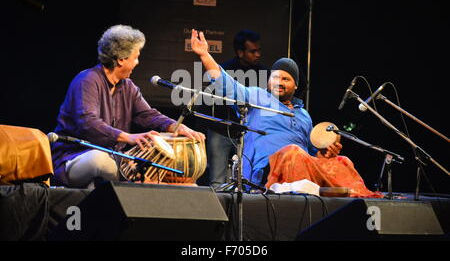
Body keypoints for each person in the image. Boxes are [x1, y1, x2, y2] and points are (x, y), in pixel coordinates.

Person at [191, 29, 381, 197]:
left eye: (286, 79)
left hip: (300, 166)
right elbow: (227, 85)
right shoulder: (258, 98)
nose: (279, 82)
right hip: (266, 169)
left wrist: (326, 153)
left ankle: (357, 201)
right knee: (293, 152)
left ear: (296, 85)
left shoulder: (304, 115)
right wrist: (205, 55)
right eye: (275, 77)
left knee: (343, 161)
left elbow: (312, 154)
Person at [51, 25, 205, 188]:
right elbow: (88, 123)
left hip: (115, 157)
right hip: (74, 157)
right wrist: (128, 137)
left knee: (179, 182)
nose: (138, 62)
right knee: (101, 160)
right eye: (136, 57)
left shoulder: (127, 86)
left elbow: (148, 115)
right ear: (121, 59)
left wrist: (176, 127)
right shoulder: (87, 80)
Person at [206, 30, 269, 189]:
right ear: (240, 52)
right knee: (217, 181)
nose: (258, 54)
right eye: (253, 51)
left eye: (259, 50)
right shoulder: (224, 71)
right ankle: (217, 213)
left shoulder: (266, 74)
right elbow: (207, 102)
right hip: (221, 131)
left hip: (249, 134)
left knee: (247, 181)